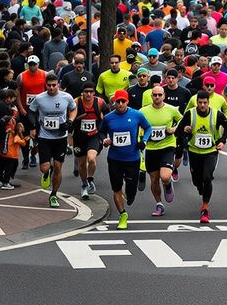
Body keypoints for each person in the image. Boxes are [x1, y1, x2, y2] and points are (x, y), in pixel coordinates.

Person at [101, 90, 151, 230]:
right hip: (114, 159)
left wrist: (144, 141)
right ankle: (122, 215)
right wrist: (104, 140)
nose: (121, 104)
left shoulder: (137, 115)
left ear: (127, 101)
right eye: (118, 102)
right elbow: (101, 132)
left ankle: (131, 193)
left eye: (123, 101)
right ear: (114, 103)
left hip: (132, 158)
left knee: (131, 191)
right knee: (116, 188)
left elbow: (148, 128)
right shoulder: (109, 118)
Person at [178, 89, 227, 223]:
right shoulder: (190, 114)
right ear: (196, 102)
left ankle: (205, 207)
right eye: (200, 102)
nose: (202, 105)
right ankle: (201, 188)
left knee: (207, 177)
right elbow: (179, 129)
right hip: (194, 151)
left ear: (208, 103)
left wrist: (222, 140)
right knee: (196, 180)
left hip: (210, 151)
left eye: (204, 103)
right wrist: (184, 129)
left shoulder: (216, 114)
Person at [29, 74, 76, 208]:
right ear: (46, 85)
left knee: (58, 166)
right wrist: (33, 127)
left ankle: (53, 194)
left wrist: (70, 121)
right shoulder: (39, 98)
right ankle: (46, 173)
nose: (51, 88)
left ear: (58, 85)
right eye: (49, 85)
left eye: (54, 85)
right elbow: (31, 111)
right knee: (44, 168)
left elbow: (73, 109)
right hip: (45, 136)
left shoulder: (66, 97)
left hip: (60, 137)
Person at [138, 85, 181, 217]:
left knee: (165, 176)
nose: (157, 97)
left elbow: (182, 119)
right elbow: (136, 125)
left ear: (164, 96)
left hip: (167, 145)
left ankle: (167, 184)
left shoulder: (171, 109)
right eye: (155, 95)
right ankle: (159, 204)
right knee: (154, 179)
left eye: (159, 95)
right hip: (151, 148)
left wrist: (174, 129)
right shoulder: (143, 111)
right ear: (151, 96)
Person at [71, 86, 106, 199]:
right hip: (79, 136)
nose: (88, 94)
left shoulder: (100, 102)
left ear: (94, 93)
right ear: (82, 93)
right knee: (81, 164)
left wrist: (103, 131)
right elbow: (70, 118)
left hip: (93, 136)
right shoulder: (76, 102)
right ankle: (84, 184)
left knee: (91, 158)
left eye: (91, 92)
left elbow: (108, 116)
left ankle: (90, 179)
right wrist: (78, 118)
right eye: (86, 92)